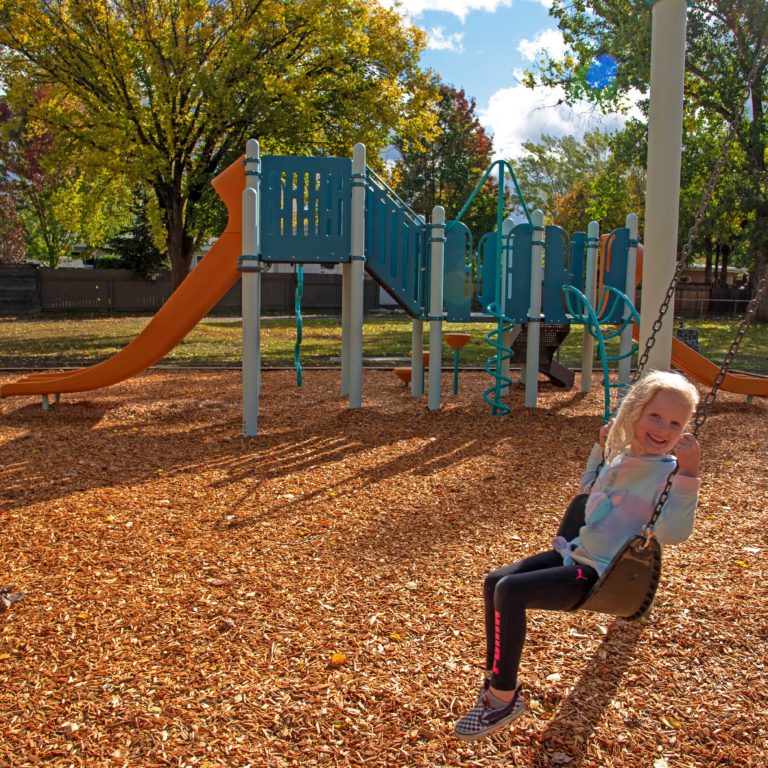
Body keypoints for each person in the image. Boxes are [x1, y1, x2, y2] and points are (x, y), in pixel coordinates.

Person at [454, 370, 701, 742]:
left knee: (511, 592)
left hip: (605, 575)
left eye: (675, 423)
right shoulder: (622, 458)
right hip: (578, 554)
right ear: (635, 412)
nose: (663, 429)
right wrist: (600, 450)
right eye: (655, 416)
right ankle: (495, 679)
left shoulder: (668, 472)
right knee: (494, 581)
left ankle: (504, 697)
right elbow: (588, 491)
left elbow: (674, 533)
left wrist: (690, 473)